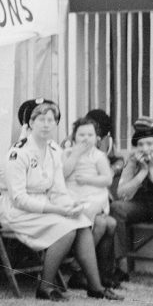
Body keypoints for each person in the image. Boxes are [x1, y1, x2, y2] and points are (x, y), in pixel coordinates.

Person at [0, 99, 123, 301]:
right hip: (17, 211)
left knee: (82, 223)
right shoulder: (18, 153)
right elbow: (19, 199)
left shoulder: (54, 150)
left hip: (45, 206)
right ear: (30, 123)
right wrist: (58, 211)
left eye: (51, 119)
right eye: (41, 119)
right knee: (66, 229)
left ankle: (95, 287)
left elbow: (58, 189)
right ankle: (45, 287)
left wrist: (70, 205)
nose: (47, 124)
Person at [109, 122, 153, 288]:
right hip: (139, 205)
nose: (145, 149)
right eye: (140, 144)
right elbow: (122, 193)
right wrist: (142, 173)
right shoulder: (133, 161)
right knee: (117, 208)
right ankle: (122, 267)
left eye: (149, 143)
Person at [62, 116, 117, 288]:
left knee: (105, 222)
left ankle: (83, 268)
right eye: (81, 135)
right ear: (73, 138)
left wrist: (88, 179)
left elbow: (107, 179)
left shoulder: (98, 156)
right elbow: (63, 174)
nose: (86, 139)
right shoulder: (68, 154)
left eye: (90, 135)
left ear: (97, 138)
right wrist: (75, 154)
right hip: (72, 195)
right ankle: (86, 271)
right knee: (105, 224)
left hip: (94, 194)